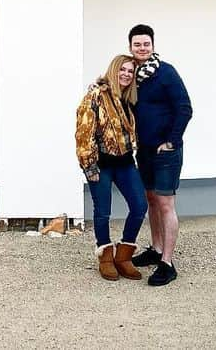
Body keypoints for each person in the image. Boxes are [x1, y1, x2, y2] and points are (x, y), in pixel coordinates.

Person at [127, 24, 192, 287]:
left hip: (165, 152)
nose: (142, 49)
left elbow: (185, 108)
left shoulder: (166, 73)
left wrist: (172, 141)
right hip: (143, 151)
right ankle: (155, 249)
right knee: (151, 200)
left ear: (153, 45)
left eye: (146, 44)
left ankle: (167, 262)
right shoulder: (131, 75)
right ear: (130, 46)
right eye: (137, 45)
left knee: (166, 204)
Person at [75, 54, 148, 281]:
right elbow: (84, 132)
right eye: (122, 70)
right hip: (101, 165)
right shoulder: (96, 95)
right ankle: (105, 257)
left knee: (139, 206)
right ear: (114, 70)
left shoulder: (128, 99)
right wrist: (89, 166)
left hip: (125, 163)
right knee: (103, 211)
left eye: (130, 71)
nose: (126, 74)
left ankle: (124, 256)